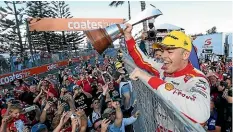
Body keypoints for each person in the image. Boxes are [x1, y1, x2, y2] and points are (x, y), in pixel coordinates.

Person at [124, 24, 210, 131]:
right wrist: (128, 36)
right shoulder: (163, 68)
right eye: (163, 50)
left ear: (185, 55)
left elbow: (201, 114)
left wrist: (149, 78)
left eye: (169, 51)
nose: (163, 55)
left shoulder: (197, 79)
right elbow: (143, 60)